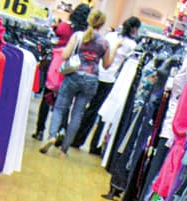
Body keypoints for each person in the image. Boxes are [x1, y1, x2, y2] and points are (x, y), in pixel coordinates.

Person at [41, 10, 112, 156]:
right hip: (91, 79)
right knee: (77, 114)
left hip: (73, 75)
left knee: (60, 108)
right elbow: (106, 65)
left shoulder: (78, 36)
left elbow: (66, 55)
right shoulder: (105, 43)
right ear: (103, 23)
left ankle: (52, 136)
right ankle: (65, 149)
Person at [78, 17, 142, 153]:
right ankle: (94, 145)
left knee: (87, 108)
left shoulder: (110, 36)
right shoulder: (131, 45)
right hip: (110, 80)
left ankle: (77, 138)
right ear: (134, 28)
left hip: (95, 73)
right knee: (102, 112)